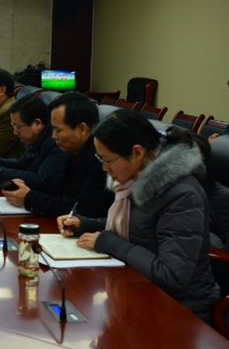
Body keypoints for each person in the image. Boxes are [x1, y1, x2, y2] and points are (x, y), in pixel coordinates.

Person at [58, 109, 220, 322]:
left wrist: (110, 243)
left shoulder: (182, 195)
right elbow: (136, 228)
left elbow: (171, 275)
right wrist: (86, 224)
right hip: (140, 292)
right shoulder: (137, 177)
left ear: (137, 153)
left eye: (108, 160)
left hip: (181, 309)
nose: (104, 168)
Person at [3, 92, 114, 218]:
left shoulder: (101, 159)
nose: (54, 136)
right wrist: (23, 185)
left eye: (58, 130)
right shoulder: (74, 151)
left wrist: (29, 198)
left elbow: (82, 208)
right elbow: (56, 187)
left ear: (82, 129)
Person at [0, 94, 69, 194]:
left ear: (37, 123)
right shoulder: (36, 137)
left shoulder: (56, 142)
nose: (15, 133)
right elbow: (24, 164)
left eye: (18, 127)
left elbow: (41, 180)